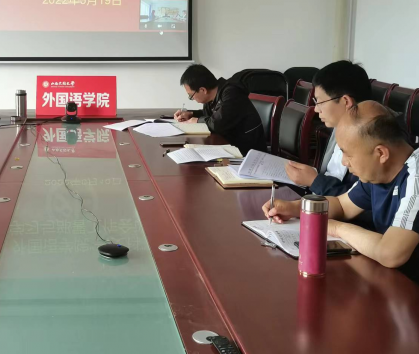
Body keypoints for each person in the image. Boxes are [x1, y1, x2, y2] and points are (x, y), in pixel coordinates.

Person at [264, 101, 419, 282]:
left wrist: (337, 228)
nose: (344, 162)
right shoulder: (379, 172)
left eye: (348, 154)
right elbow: (342, 205)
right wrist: (295, 208)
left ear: (381, 153)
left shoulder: (415, 176)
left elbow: (390, 253)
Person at [285, 61, 371, 196]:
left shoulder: (371, 139)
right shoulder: (340, 125)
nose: (316, 109)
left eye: (320, 102)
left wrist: (314, 181)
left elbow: (360, 200)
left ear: (346, 102)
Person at [174, 64, 266, 155]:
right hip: (231, 146)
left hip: (247, 152)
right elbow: (210, 115)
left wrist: (197, 120)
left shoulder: (231, 93)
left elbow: (217, 124)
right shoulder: (212, 97)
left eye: (191, 95)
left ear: (203, 90)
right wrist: (191, 114)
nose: (192, 98)